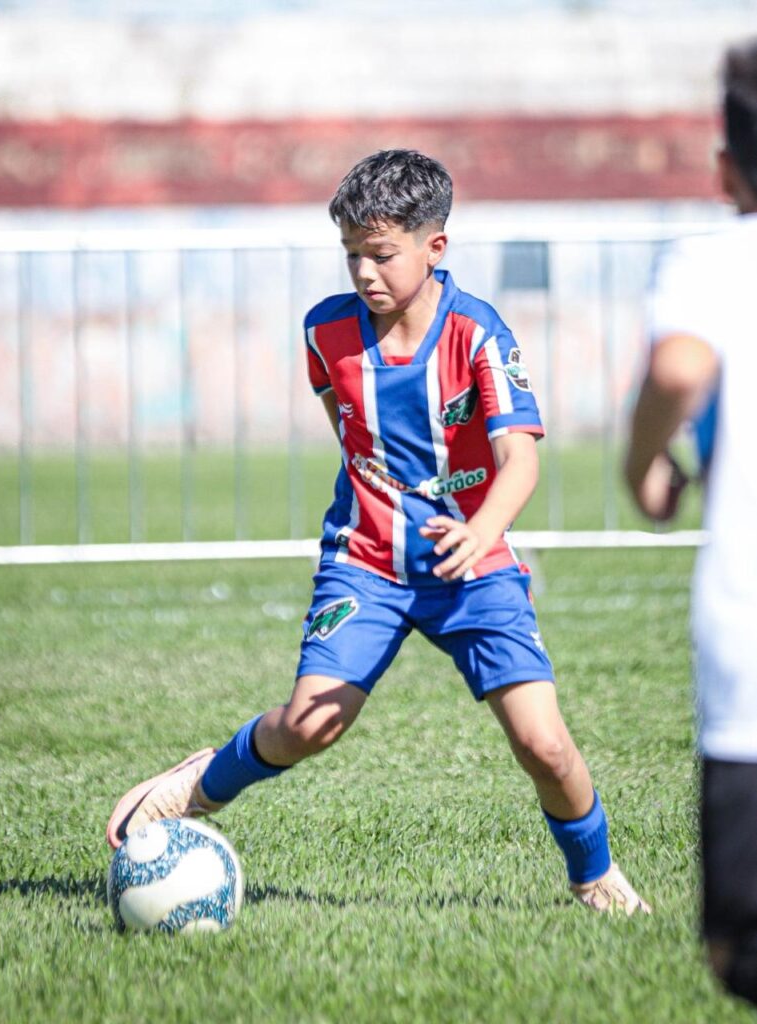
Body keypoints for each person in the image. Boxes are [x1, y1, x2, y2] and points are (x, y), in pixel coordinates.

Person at [108, 149, 649, 916]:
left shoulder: (478, 335)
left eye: (382, 254)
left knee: (543, 745)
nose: (364, 272)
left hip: (471, 564)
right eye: (351, 254)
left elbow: (519, 461)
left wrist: (480, 531)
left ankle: (593, 876)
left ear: (435, 247)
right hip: (366, 561)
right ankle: (197, 786)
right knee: (311, 725)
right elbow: (351, 430)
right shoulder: (325, 332)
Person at [625, 39, 757, 1001]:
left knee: (739, 954)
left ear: (724, 168)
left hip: (746, 637)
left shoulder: (712, 260)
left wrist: (642, 467)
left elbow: (677, 368)